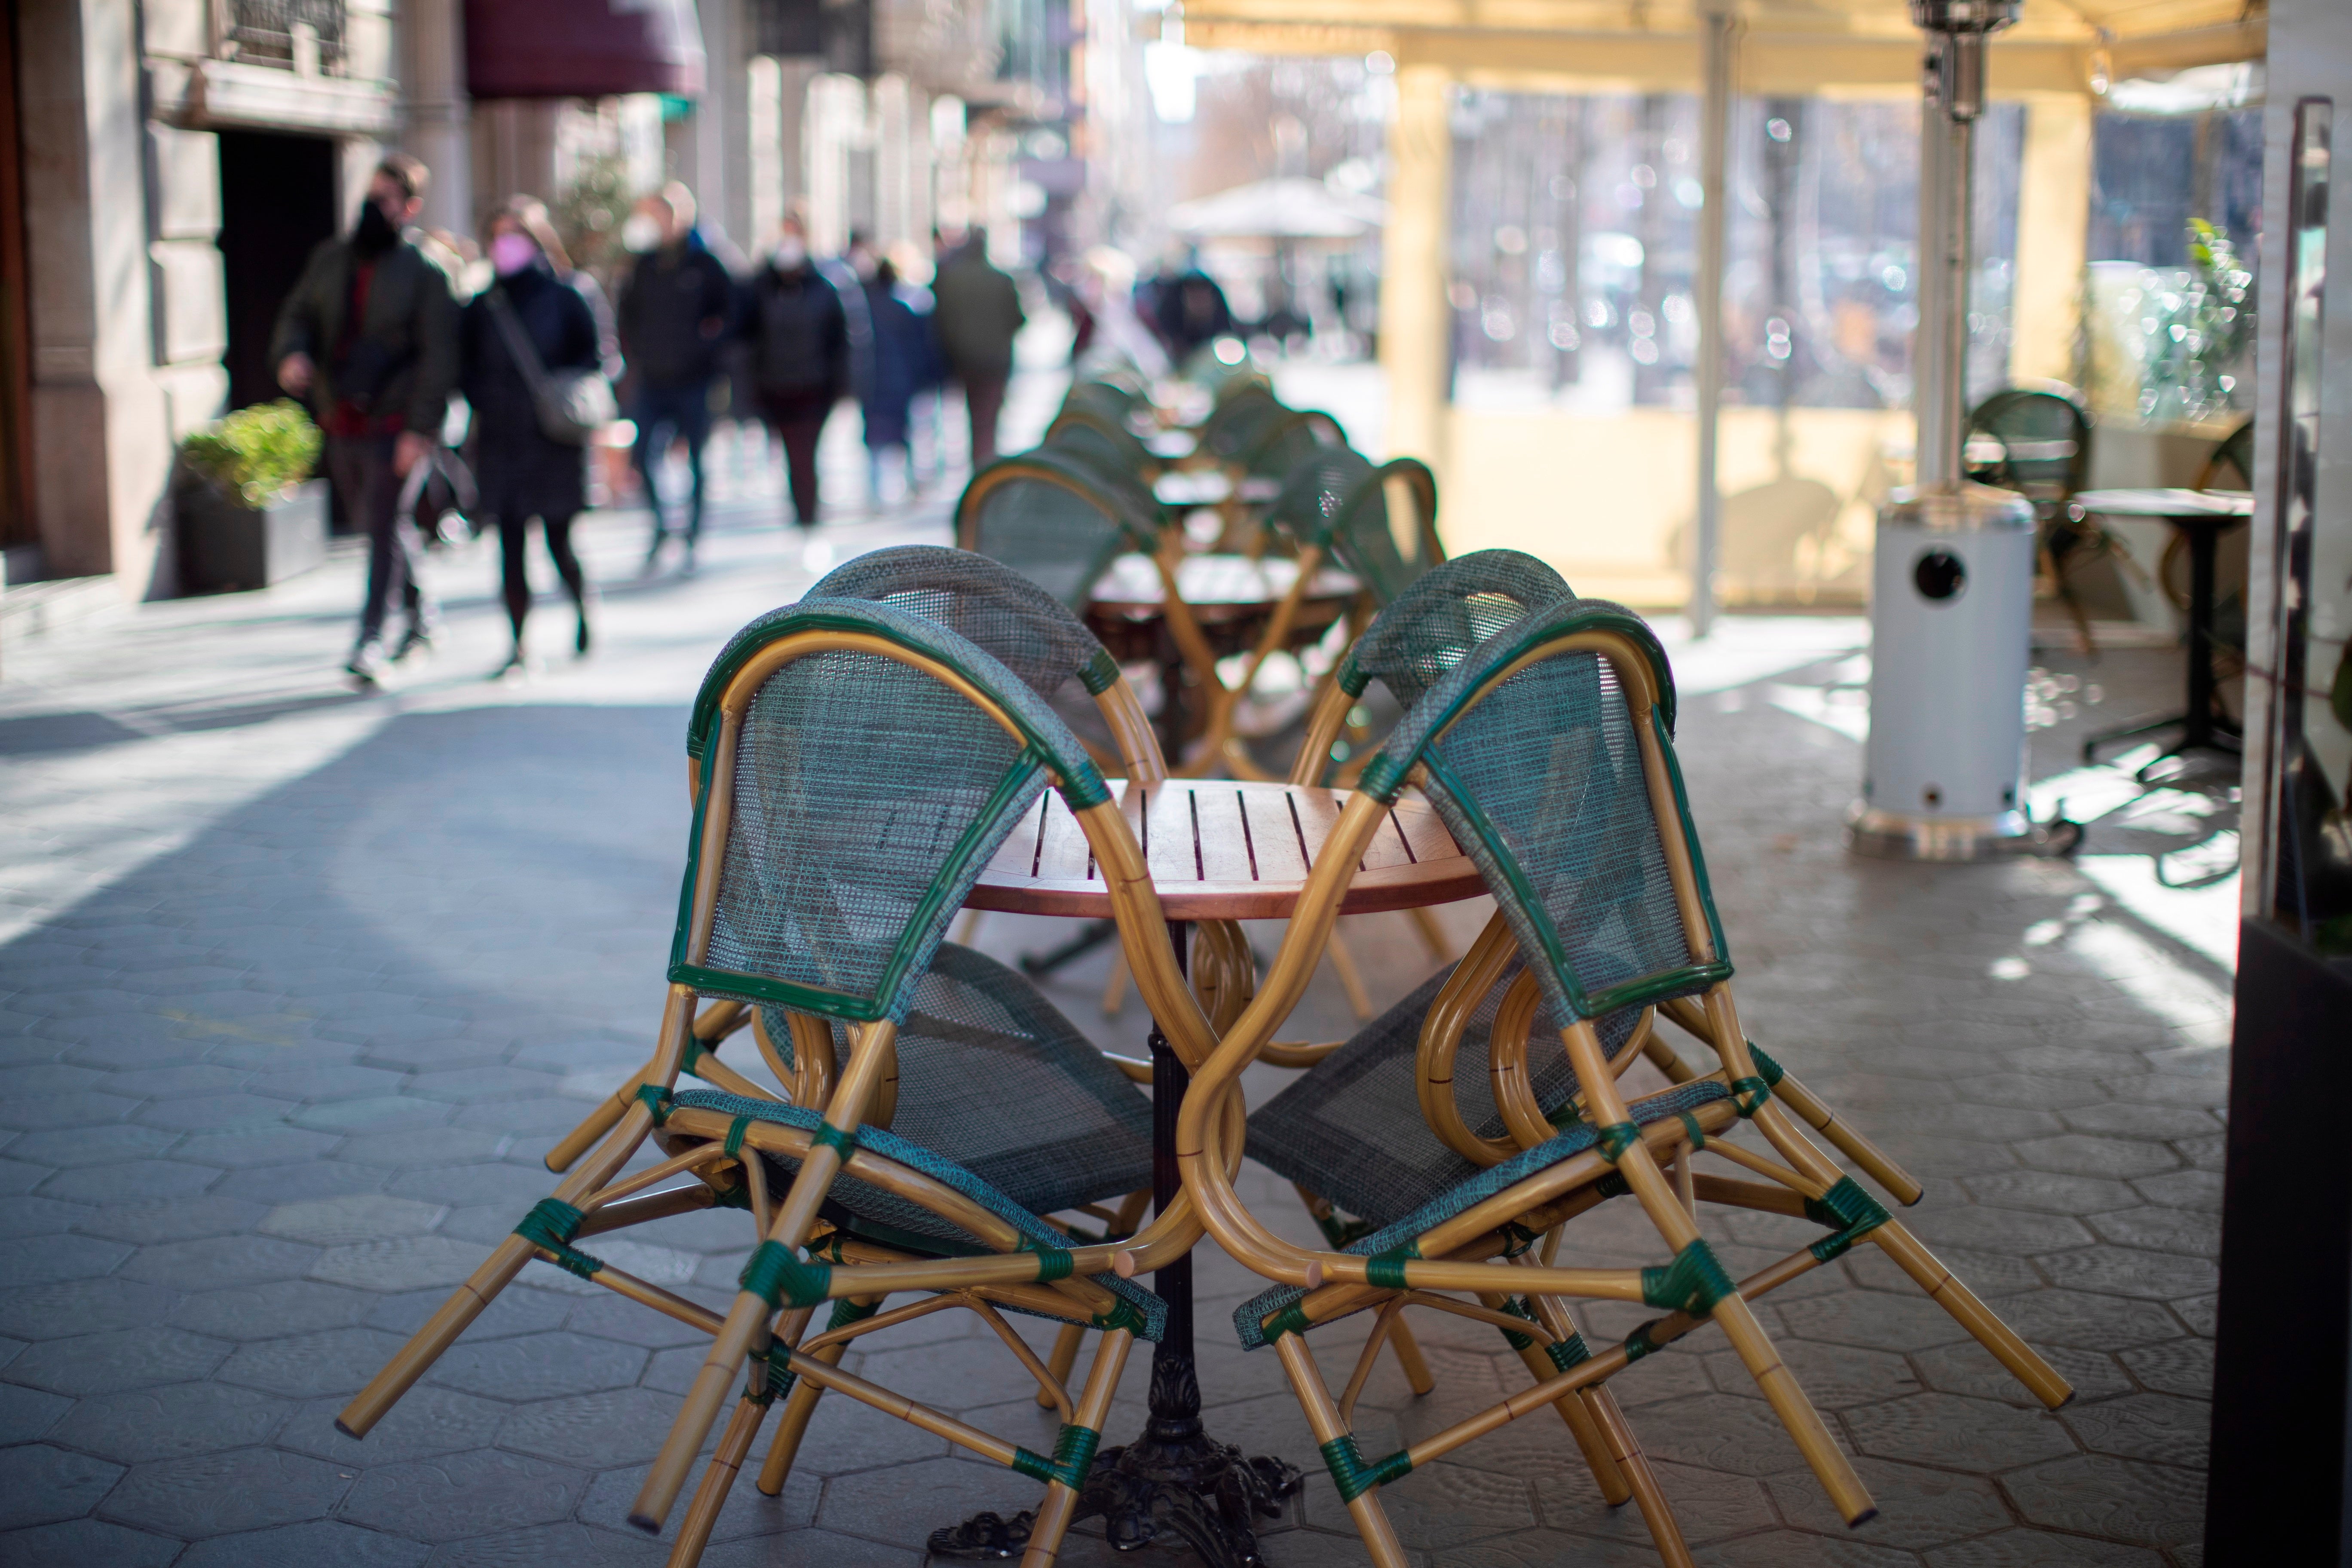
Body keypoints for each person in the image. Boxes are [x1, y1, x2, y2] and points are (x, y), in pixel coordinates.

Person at [269, 153, 460, 684]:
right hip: (342, 418)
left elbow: (440, 358)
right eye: (369, 195)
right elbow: (298, 315)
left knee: (381, 528)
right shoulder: (332, 259)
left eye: (385, 199)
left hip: (395, 424)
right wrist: (293, 354)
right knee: (381, 524)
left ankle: (371, 640)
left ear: (410, 207)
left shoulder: (426, 272)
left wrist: (420, 430)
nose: (373, 207)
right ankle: (423, 617)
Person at [459, 197, 620, 676]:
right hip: (500, 440)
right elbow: (464, 368)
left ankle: (582, 608)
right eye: (498, 235)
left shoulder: (568, 294)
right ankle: (519, 644)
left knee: (559, 541)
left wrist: (556, 391)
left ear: (536, 240)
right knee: (509, 545)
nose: (506, 245)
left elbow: (596, 359)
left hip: (554, 439)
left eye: (516, 235)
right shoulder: (482, 305)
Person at [615, 182, 737, 573]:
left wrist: (708, 351)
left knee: (697, 460)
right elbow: (626, 315)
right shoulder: (643, 264)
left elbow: (732, 313)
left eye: (661, 214)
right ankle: (661, 527)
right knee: (643, 454)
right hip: (652, 379)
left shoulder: (706, 263)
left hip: (695, 380)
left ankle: (693, 537)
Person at [744, 214, 848, 527]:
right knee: (793, 458)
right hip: (775, 390)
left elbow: (841, 340)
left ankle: (809, 519)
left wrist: (843, 388)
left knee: (805, 458)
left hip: (814, 390)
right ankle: (803, 516)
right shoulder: (760, 287)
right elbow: (747, 339)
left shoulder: (825, 286)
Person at [928, 229, 1025, 470]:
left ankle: (980, 465)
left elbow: (941, 320)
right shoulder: (1001, 280)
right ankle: (984, 464)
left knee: (973, 415)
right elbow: (1018, 320)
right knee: (988, 418)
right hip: (994, 361)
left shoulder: (951, 280)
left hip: (964, 360)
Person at [855, 255, 941, 507]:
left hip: (873, 382)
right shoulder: (902, 311)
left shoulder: (864, 312)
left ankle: (875, 494)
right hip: (900, 380)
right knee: (904, 434)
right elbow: (920, 347)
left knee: (874, 439)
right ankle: (909, 485)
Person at [1144, 249, 1235, 364]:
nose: (1199, 300)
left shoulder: (1219, 315)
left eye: (1202, 294)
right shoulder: (1171, 310)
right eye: (1194, 295)